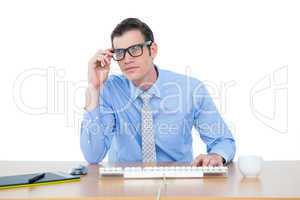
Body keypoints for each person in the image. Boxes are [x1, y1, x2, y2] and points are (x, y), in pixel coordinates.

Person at [81, 18, 235, 166]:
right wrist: (94, 88)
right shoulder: (109, 89)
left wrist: (216, 156)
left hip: (177, 184)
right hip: (124, 185)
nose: (127, 59)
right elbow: (93, 156)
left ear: (152, 50)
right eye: (120, 53)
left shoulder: (190, 89)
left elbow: (223, 141)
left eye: (135, 49)